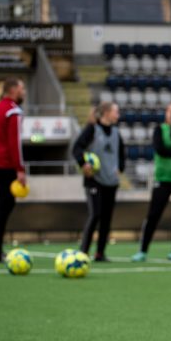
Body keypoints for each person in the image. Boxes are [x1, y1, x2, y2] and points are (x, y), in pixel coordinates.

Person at [72, 101, 125, 262]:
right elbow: (77, 148)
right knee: (95, 214)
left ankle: (100, 253)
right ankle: (83, 252)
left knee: (107, 219)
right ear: (107, 113)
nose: (118, 115)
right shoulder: (92, 129)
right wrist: (83, 163)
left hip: (111, 181)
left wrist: (120, 168)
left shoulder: (116, 132)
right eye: (116, 111)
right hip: (94, 181)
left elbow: (122, 153)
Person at [132, 102, 171, 262]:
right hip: (162, 179)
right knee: (153, 215)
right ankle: (143, 250)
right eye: (170, 112)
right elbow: (161, 149)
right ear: (166, 114)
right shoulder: (160, 130)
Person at [0, 78, 26, 262]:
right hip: (5, 165)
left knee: (4, 203)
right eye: (22, 89)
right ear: (14, 90)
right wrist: (20, 169)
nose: (24, 92)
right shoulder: (13, 111)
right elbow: (14, 143)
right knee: (4, 204)